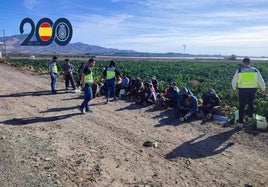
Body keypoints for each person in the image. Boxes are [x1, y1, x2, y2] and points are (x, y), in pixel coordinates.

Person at [232, 57, 266, 128]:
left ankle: (240, 123)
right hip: (252, 90)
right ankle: (250, 119)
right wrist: (263, 89)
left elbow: (234, 80)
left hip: (242, 90)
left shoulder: (239, 70)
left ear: (243, 63)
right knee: (251, 104)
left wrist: (234, 88)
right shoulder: (255, 70)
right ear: (250, 63)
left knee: (241, 106)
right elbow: (261, 80)